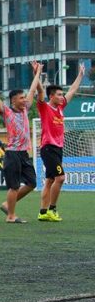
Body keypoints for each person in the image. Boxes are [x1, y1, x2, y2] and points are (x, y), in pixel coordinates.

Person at [0, 62, 42, 223]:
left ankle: (7, 205)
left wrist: (37, 72)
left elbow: (33, 88)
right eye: (21, 98)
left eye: (24, 97)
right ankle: (11, 216)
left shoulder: (25, 110)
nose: (24, 100)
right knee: (14, 186)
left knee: (32, 183)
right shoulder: (7, 112)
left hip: (24, 154)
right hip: (12, 154)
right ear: (13, 101)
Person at [35, 64, 86, 222]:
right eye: (58, 94)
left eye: (61, 94)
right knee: (61, 178)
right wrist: (37, 73)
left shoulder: (61, 107)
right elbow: (40, 91)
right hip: (48, 148)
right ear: (51, 96)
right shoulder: (44, 107)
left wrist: (80, 75)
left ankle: (42, 212)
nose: (61, 96)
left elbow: (72, 91)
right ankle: (52, 209)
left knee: (50, 180)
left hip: (58, 148)